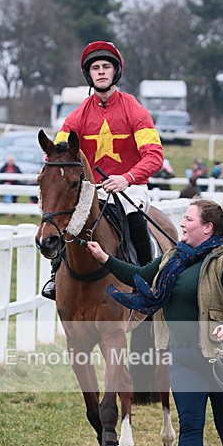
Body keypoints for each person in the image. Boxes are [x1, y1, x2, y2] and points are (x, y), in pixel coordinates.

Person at [86, 198, 223, 446]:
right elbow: (138, 274)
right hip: (184, 357)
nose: (182, 224)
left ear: (207, 228)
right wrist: (104, 258)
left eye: (188, 219)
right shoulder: (173, 258)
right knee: (191, 426)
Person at [41, 40, 164, 300]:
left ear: (115, 71)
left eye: (106, 66)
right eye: (95, 67)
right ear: (89, 74)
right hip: (90, 189)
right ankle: (56, 277)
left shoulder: (135, 111)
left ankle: (146, 280)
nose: (100, 71)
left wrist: (127, 178)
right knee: (68, 222)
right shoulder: (77, 116)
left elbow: (154, 157)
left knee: (134, 218)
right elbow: (56, 152)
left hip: (130, 187)